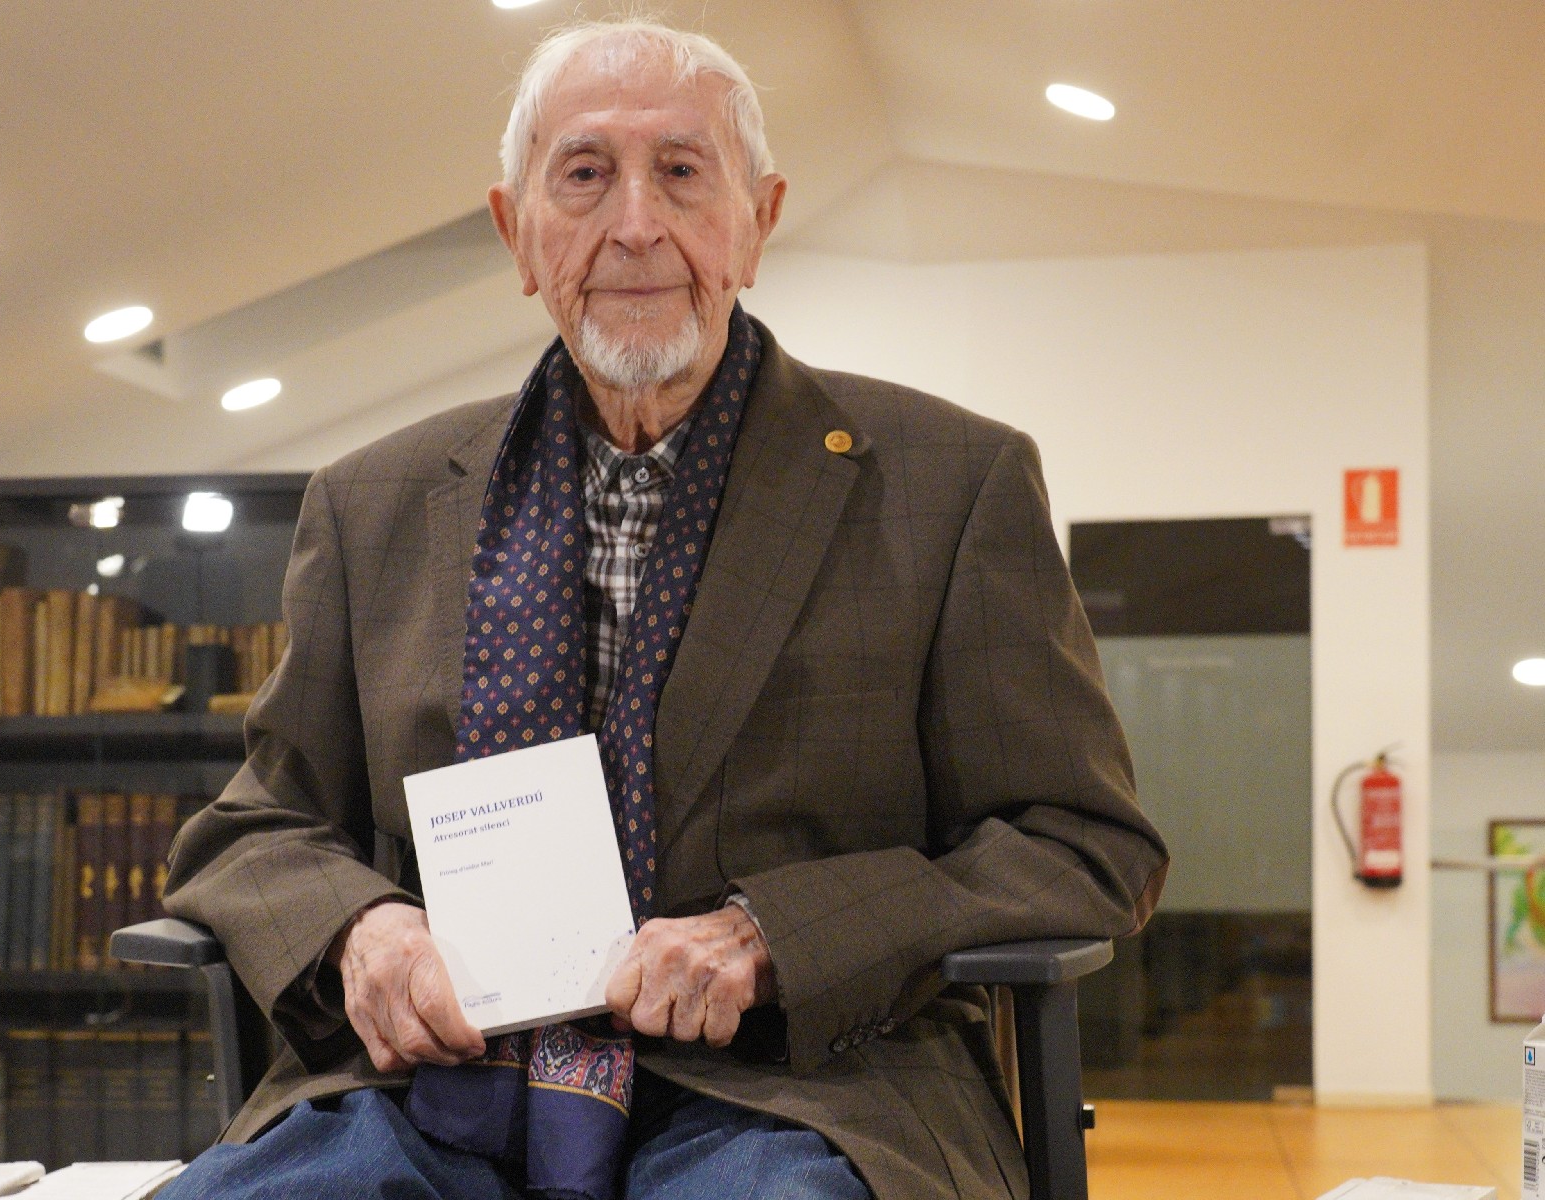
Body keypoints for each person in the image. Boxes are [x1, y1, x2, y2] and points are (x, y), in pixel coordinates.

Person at [159, 17, 1167, 1200]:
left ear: (758, 221)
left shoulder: (948, 484)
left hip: (805, 1088)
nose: (635, 223)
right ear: (516, 232)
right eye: (585, 174)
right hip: (433, 1087)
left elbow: (1080, 843)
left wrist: (773, 936)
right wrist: (362, 930)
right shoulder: (369, 505)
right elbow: (256, 828)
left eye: (682, 172)